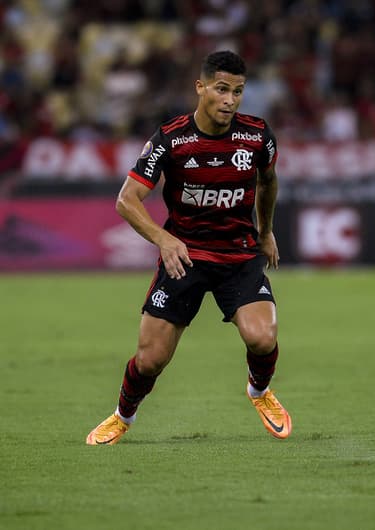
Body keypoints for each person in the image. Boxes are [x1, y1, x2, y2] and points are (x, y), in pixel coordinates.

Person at [86, 50, 292, 445]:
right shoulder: (171, 139)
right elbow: (127, 200)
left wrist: (265, 231)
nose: (230, 100)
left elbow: (268, 181)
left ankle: (260, 393)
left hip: (238, 254)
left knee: (263, 338)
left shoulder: (257, 136)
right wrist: (164, 239)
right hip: (185, 258)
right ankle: (122, 416)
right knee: (150, 360)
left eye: (238, 91)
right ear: (201, 87)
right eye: (221, 89)